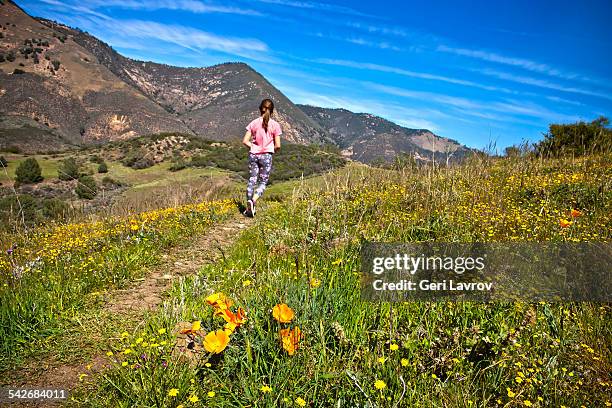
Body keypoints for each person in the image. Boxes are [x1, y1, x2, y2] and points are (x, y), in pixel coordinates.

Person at [242, 98, 282, 217]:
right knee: (263, 182)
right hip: (266, 156)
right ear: (272, 111)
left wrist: (254, 147)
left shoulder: (253, 123)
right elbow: (278, 145)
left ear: (260, 109)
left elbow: (245, 141)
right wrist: (269, 151)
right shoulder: (275, 125)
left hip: (253, 154)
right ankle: (253, 201)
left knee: (252, 179)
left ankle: (248, 205)